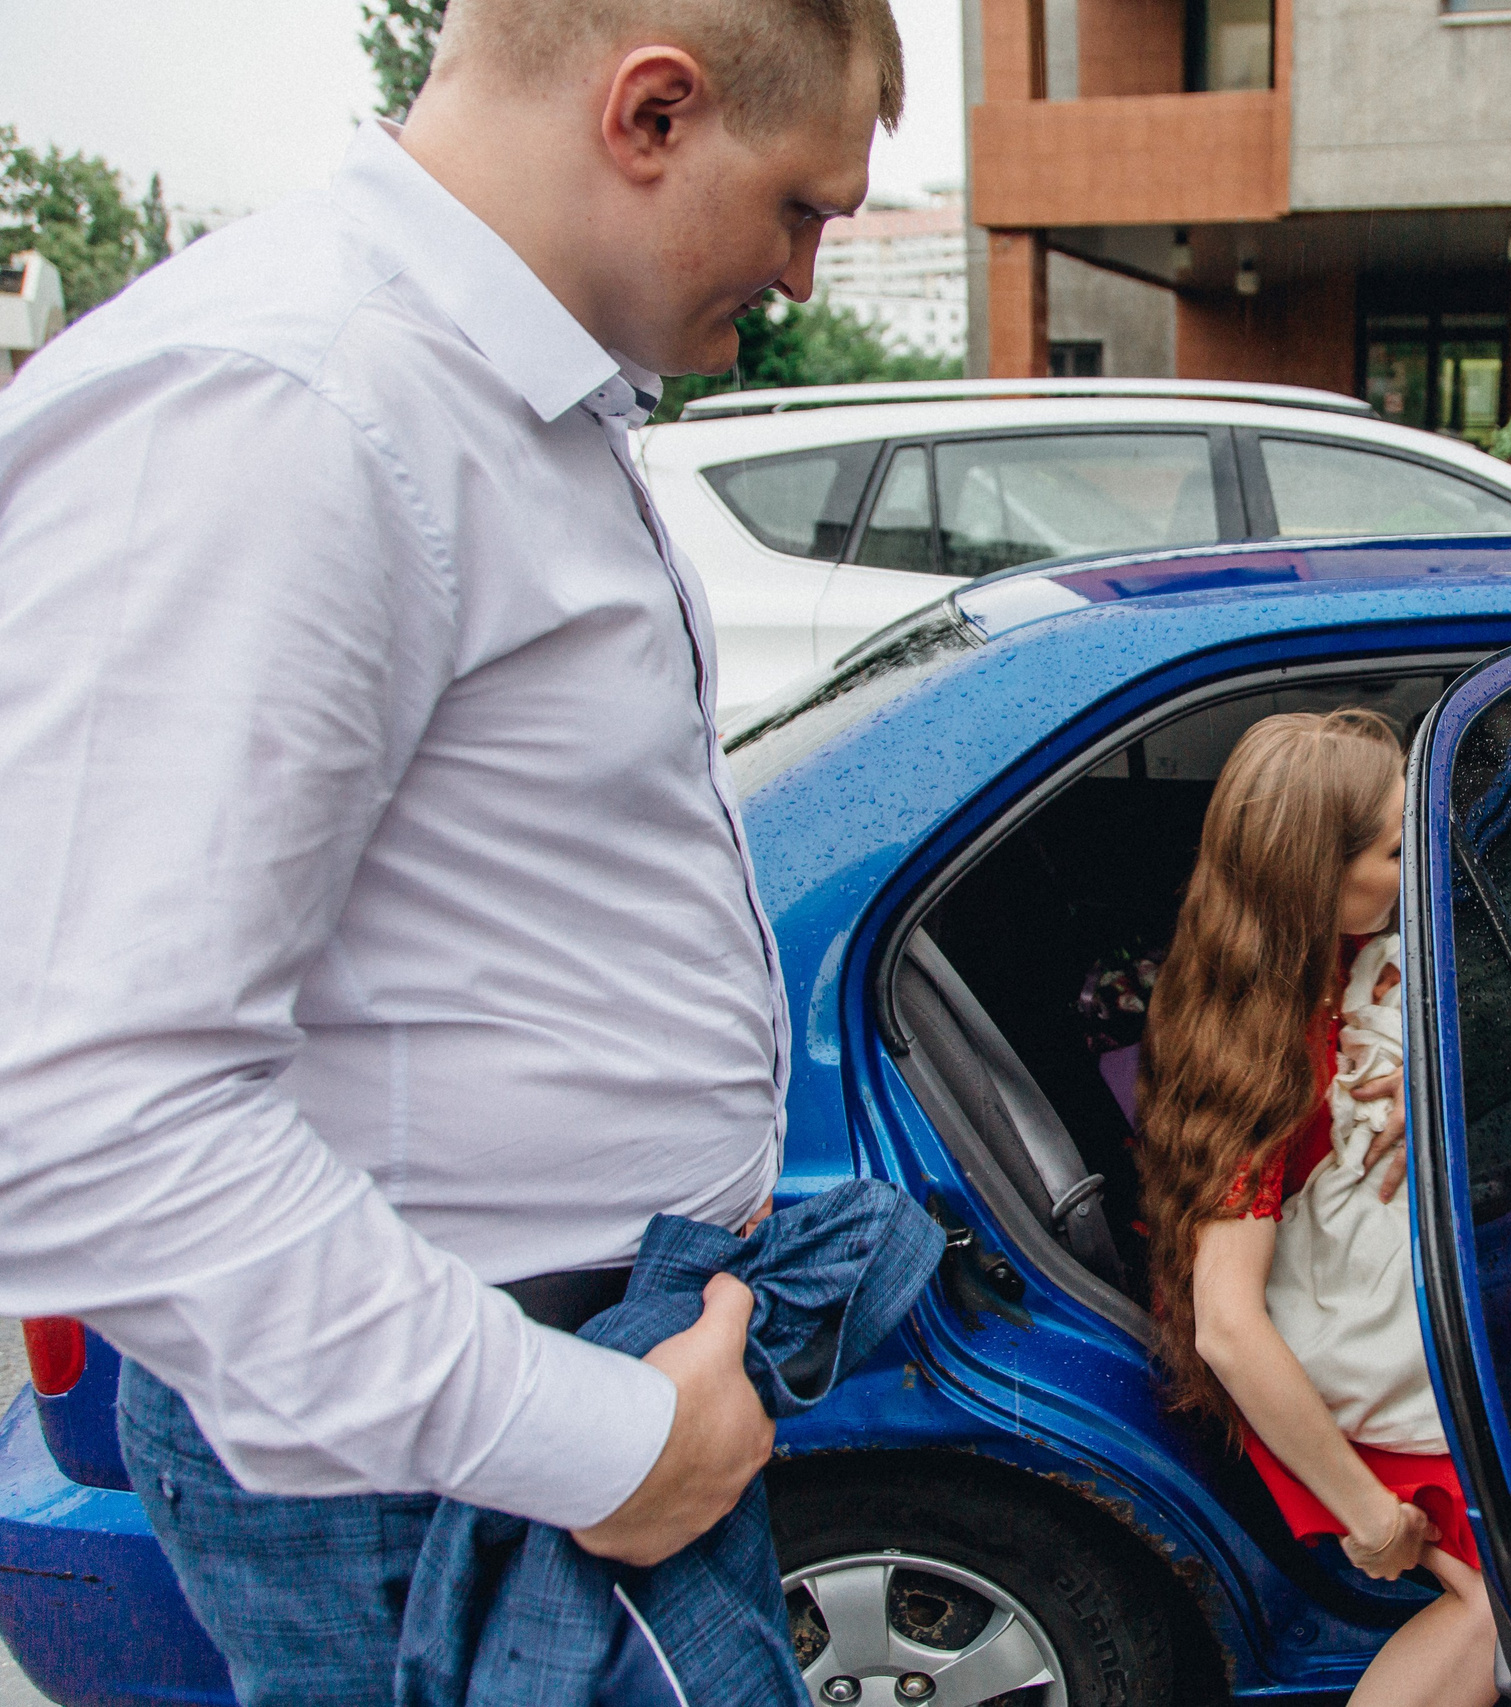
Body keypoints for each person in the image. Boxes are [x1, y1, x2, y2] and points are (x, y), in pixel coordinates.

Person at [0, 0, 901, 1695]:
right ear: (652, 113)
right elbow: (88, 1110)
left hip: (528, 1409)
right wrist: (596, 1440)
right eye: (800, 205)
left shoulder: (480, 398)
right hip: (449, 1464)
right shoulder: (293, 403)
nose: (801, 273)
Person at [1135, 710, 1499, 1707]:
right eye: (1396, 848)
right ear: (1318, 876)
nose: (1421, 858)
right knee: (1505, 1603)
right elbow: (1227, 1324)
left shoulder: (1333, 959)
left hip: (1362, 1322)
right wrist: (1367, 1512)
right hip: (1316, 1381)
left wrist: (1430, 1092)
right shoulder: (1258, 1052)